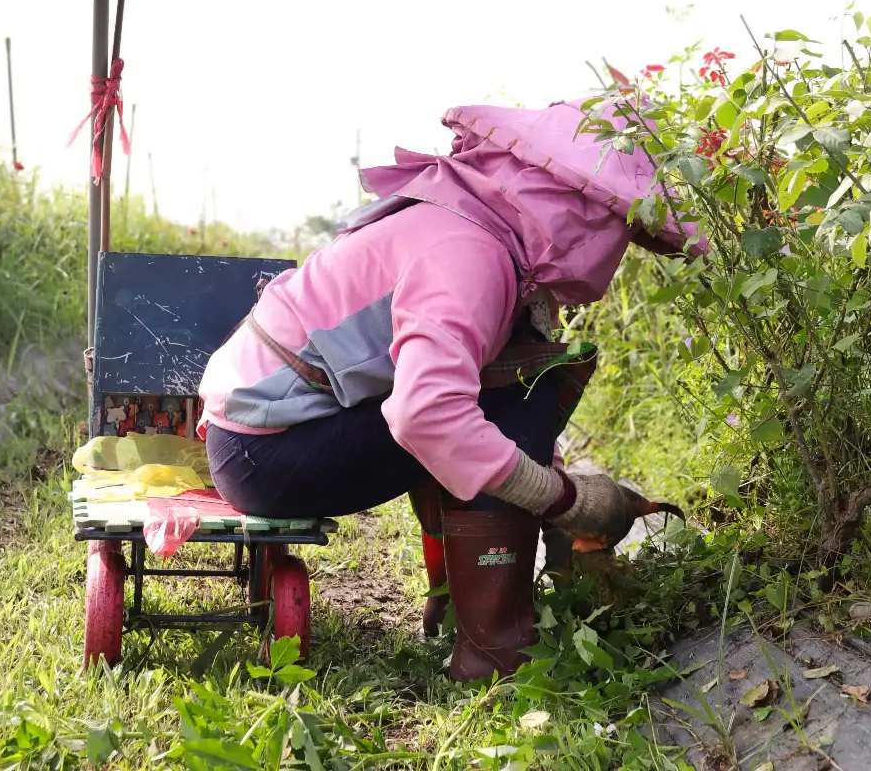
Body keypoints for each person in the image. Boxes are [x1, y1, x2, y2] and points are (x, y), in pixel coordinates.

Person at [197, 98, 703, 681]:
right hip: (270, 452)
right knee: (514, 396)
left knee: (502, 393)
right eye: (615, 226)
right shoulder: (471, 255)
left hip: (263, 437)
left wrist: (549, 491)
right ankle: (495, 654)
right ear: (576, 209)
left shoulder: (468, 223)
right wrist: (565, 500)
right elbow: (426, 416)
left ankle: (462, 594)